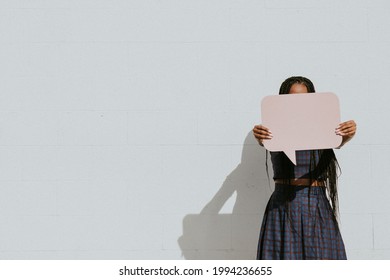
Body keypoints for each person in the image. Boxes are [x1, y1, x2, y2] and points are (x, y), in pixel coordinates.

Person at [253, 76, 356, 260]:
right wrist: (260, 136)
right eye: (292, 98)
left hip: (315, 202)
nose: (298, 103)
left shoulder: (322, 125)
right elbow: (264, 140)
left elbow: (338, 142)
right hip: (283, 203)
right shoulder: (273, 127)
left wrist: (348, 134)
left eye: (304, 98)